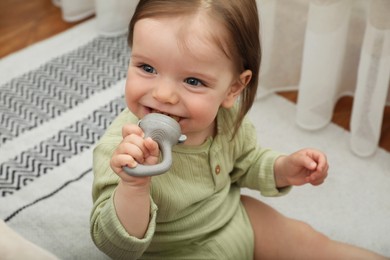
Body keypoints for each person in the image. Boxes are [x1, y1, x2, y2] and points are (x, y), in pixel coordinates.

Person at [90, 0, 388, 259]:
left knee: (310, 242)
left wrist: (283, 168)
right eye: (147, 68)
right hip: (170, 250)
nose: (164, 94)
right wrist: (133, 187)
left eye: (193, 81)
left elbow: (246, 161)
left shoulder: (227, 119)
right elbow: (116, 248)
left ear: (233, 89)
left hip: (232, 218)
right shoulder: (121, 152)